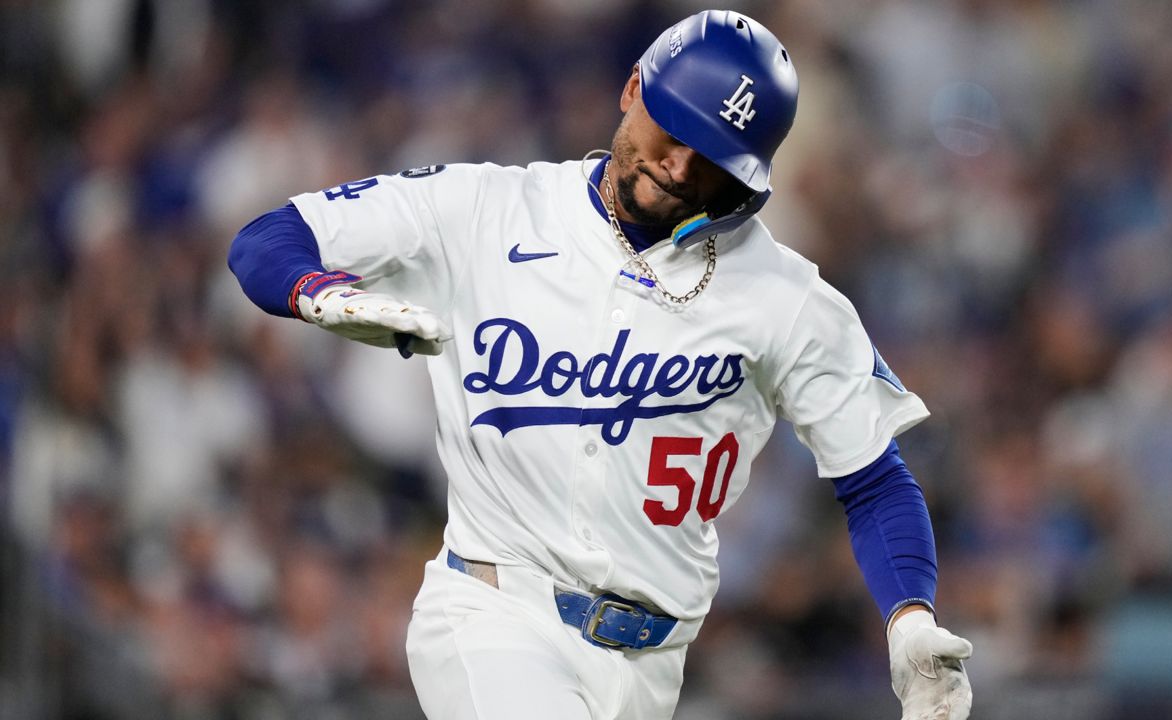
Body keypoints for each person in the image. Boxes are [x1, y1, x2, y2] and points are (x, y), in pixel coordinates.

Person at [228, 9, 973, 720]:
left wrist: (909, 617)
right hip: (496, 612)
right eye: (673, 127)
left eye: (711, 157)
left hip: (653, 663)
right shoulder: (486, 209)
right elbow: (268, 239)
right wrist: (316, 293)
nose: (679, 164)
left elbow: (874, 481)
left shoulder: (788, 299)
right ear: (632, 89)